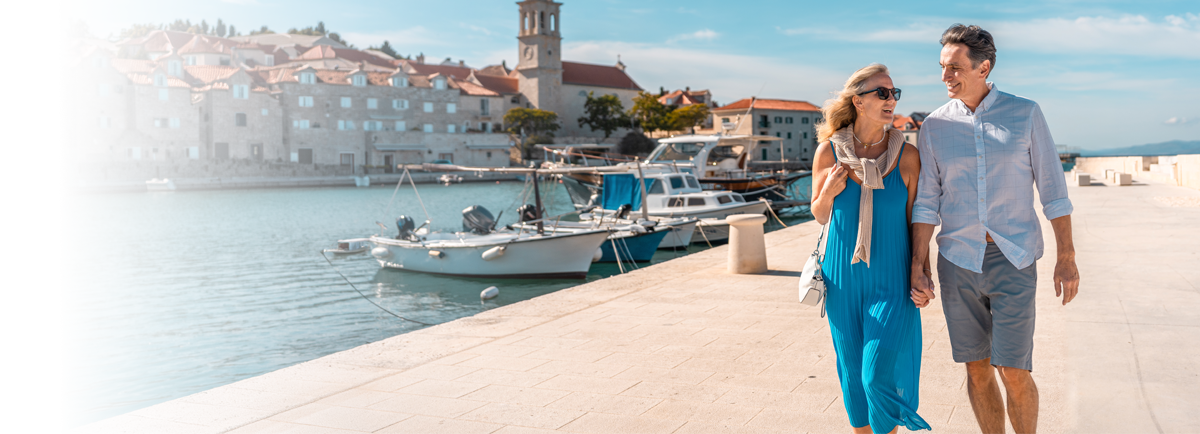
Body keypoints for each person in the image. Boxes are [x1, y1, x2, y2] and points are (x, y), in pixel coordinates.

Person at [909, 24, 1080, 434]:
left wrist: (1067, 257)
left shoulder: (1025, 113)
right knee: (976, 368)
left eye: (954, 68)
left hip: (1013, 255)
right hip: (957, 261)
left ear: (983, 66)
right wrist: (919, 263)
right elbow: (927, 203)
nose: (946, 76)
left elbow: (1053, 190)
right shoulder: (933, 126)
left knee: (1014, 369)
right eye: (942, 68)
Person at [811, 64, 930, 434]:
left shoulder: (907, 157)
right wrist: (828, 192)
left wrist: (922, 269)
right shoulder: (828, 153)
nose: (891, 100)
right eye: (882, 93)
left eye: (895, 93)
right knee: (851, 373)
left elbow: (918, 220)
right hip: (842, 279)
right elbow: (818, 213)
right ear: (858, 101)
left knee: (876, 375)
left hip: (892, 279)